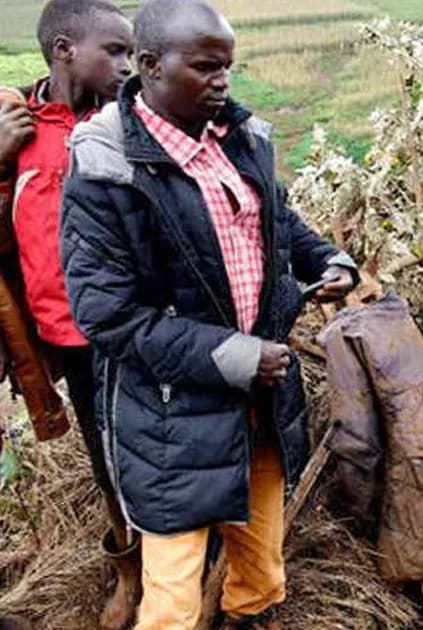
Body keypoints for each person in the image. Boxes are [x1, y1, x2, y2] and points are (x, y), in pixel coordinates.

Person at [59, 1, 358, 628]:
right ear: (150, 65)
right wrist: (239, 357)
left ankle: (250, 615)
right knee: (171, 598)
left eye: (227, 67)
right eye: (205, 67)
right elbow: (108, 316)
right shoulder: (108, 166)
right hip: (171, 417)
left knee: (262, 566)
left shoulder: (239, 139)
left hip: (261, 404)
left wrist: (327, 260)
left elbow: (277, 222)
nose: (223, 81)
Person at [0, 2, 138, 628]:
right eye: (114, 51)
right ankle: (129, 569)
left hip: (137, 324)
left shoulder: (131, 118)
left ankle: (181, 560)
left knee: (154, 445)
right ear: (63, 49)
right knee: (102, 452)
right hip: (66, 330)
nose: (126, 66)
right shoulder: (15, 125)